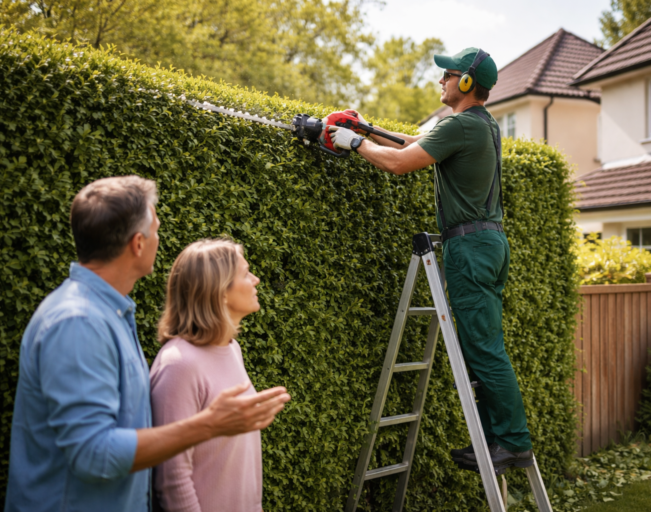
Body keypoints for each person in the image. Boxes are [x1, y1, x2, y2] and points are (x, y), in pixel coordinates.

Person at [5, 176, 291, 512]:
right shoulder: (79, 322)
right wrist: (210, 424)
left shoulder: (110, 314)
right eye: (155, 230)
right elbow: (93, 454)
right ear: (138, 244)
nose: (159, 238)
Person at [329, 48, 534, 470]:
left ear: (466, 83)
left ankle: (513, 442)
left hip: (471, 248)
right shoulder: (481, 124)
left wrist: (353, 142)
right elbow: (415, 145)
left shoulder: (461, 124)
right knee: (480, 347)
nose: (441, 81)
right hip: (487, 243)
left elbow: (401, 163)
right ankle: (495, 439)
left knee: (485, 349)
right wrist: (366, 127)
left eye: (449, 75)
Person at [150, 239, 268, 512]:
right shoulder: (179, 365)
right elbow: (172, 478)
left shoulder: (232, 348)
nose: (256, 279)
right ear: (220, 291)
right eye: (246, 273)